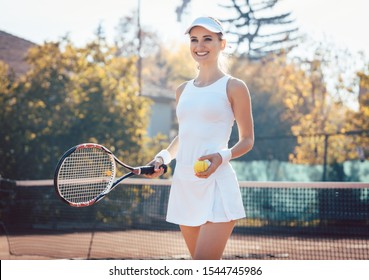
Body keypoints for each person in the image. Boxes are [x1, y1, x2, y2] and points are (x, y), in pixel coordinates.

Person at [147, 16, 254, 260]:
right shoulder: (182, 90)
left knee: (206, 264)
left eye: (208, 39)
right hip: (185, 185)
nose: (200, 45)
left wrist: (221, 156)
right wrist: (162, 157)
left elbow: (247, 140)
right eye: (194, 40)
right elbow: (185, 136)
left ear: (222, 43)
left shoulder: (234, 87)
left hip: (217, 184)